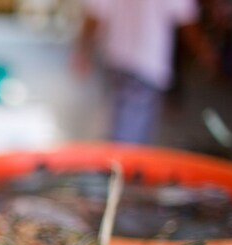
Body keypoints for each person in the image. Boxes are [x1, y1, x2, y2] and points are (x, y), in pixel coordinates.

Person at [75, 0, 218, 144]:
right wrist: (204, 52)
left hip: (116, 60)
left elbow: (94, 14)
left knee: (120, 126)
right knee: (128, 140)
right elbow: (187, 20)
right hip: (146, 66)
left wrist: (83, 50)